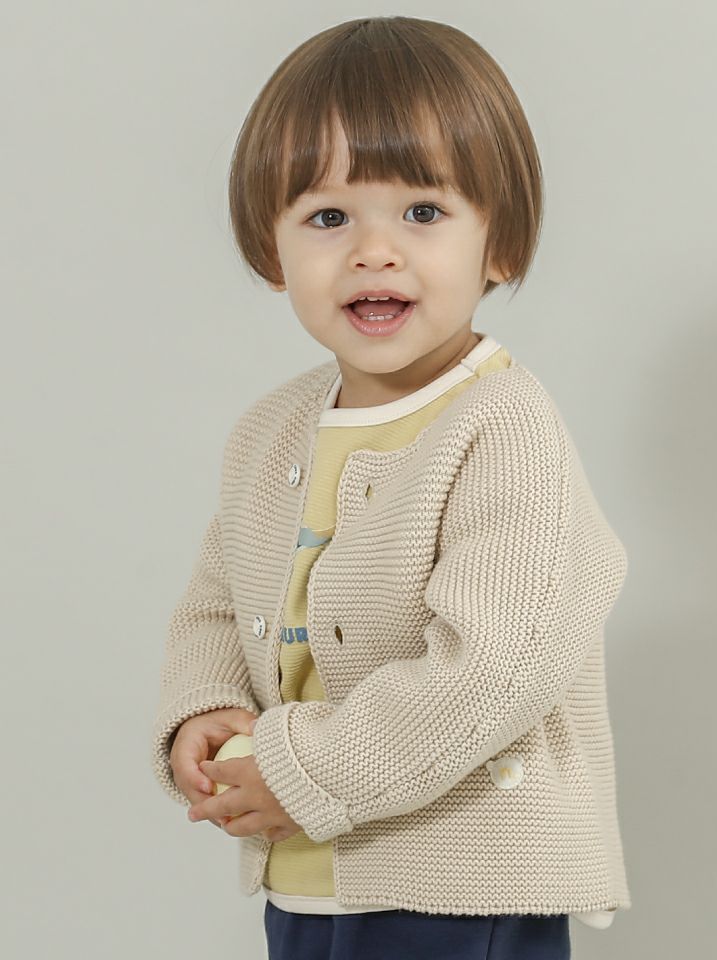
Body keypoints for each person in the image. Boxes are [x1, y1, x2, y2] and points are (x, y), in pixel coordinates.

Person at [151, 15, 631, 960]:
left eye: (422, 212)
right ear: (271, 249)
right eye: (329, 218)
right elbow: (216, 605)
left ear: (499, 241)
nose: (374, 251)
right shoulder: (269, 432)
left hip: (463, 884)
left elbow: (494, 668)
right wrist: (203, 708)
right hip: (307, 879)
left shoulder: (504, 429)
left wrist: (306, 770)